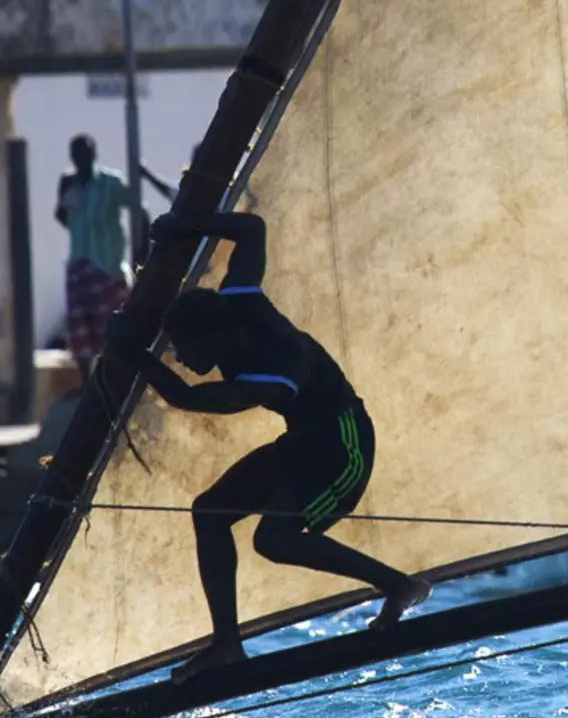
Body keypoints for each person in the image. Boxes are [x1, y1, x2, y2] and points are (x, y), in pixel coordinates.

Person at [113, 208, 429, 681]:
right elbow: (251, 228)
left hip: (344, 446)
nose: (178, 357)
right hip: (303, 440)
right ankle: (226, 646)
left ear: (214, 338)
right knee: (210, 511)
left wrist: (131, 352)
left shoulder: (275, 373)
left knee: (273, 539)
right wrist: (185, 223)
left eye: (183, 347)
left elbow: (189, 397)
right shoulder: (238, 295)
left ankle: (398, 585)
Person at [55, 135, 176, 378]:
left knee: (108, 328)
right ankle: (86, 385)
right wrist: (62, 192)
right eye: (76, 154)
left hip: (106, 266)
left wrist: (143, 249)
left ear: (93, 154)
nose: (80, 159)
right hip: (79, 263)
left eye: (84, 153)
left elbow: (139, 210)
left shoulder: (110, 183)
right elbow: (61, 216)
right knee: (79, 329)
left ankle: (114, 378)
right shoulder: (71, 184)